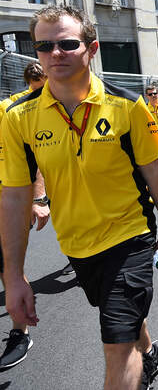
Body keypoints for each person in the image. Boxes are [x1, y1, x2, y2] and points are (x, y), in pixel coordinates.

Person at [0, 5, 158, 389]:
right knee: (122, 319)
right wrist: (14, 276)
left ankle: (138, 359)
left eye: (67, 43)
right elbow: (15, 198)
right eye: (45, 46)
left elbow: (156, 172)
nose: (56, 53)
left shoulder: (127, 104)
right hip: (77, 244)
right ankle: (149, 350)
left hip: (129, 235)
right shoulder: (18, 117)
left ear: (92, 48)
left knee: (117, 347)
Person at [0, 62, 50, 370]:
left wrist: (38, 196)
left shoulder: (10, 110)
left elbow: (32, 155)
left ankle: (20, 331)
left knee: (7, 263)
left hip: (9, 195)